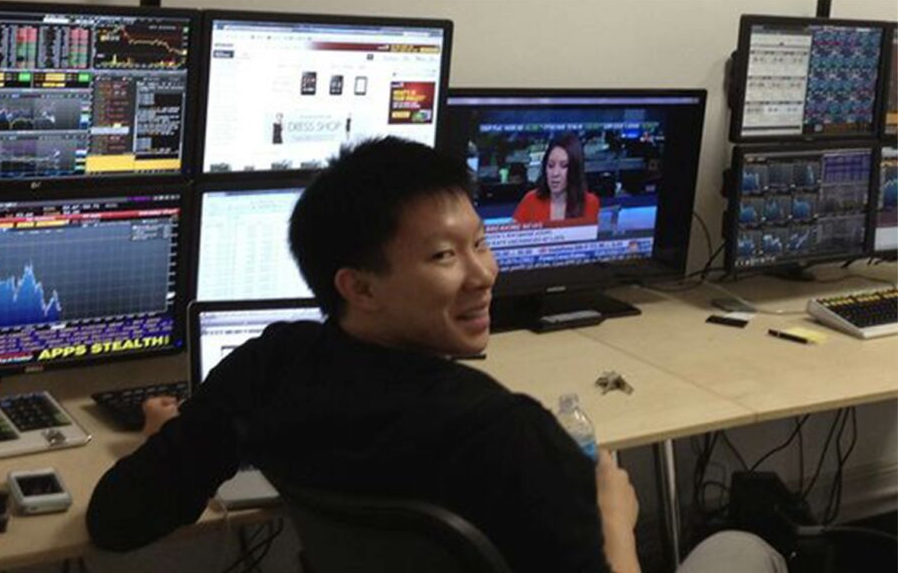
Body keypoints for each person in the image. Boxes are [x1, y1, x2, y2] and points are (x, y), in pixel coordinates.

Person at [87, 137, 785, 573]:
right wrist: (615, 520)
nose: (484, 275)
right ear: (359, 287)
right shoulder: (507, 432)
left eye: (480, 243)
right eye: (445, 256)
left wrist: (176, 440)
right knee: (745, 550)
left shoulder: (268, 366)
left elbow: (116, 521)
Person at [512, 132, 600, 225]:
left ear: (575, 169)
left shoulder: (590, 203)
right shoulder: (530, 201)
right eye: (551, 165)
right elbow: (511, 232)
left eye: (564, 166)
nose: (555, 173)